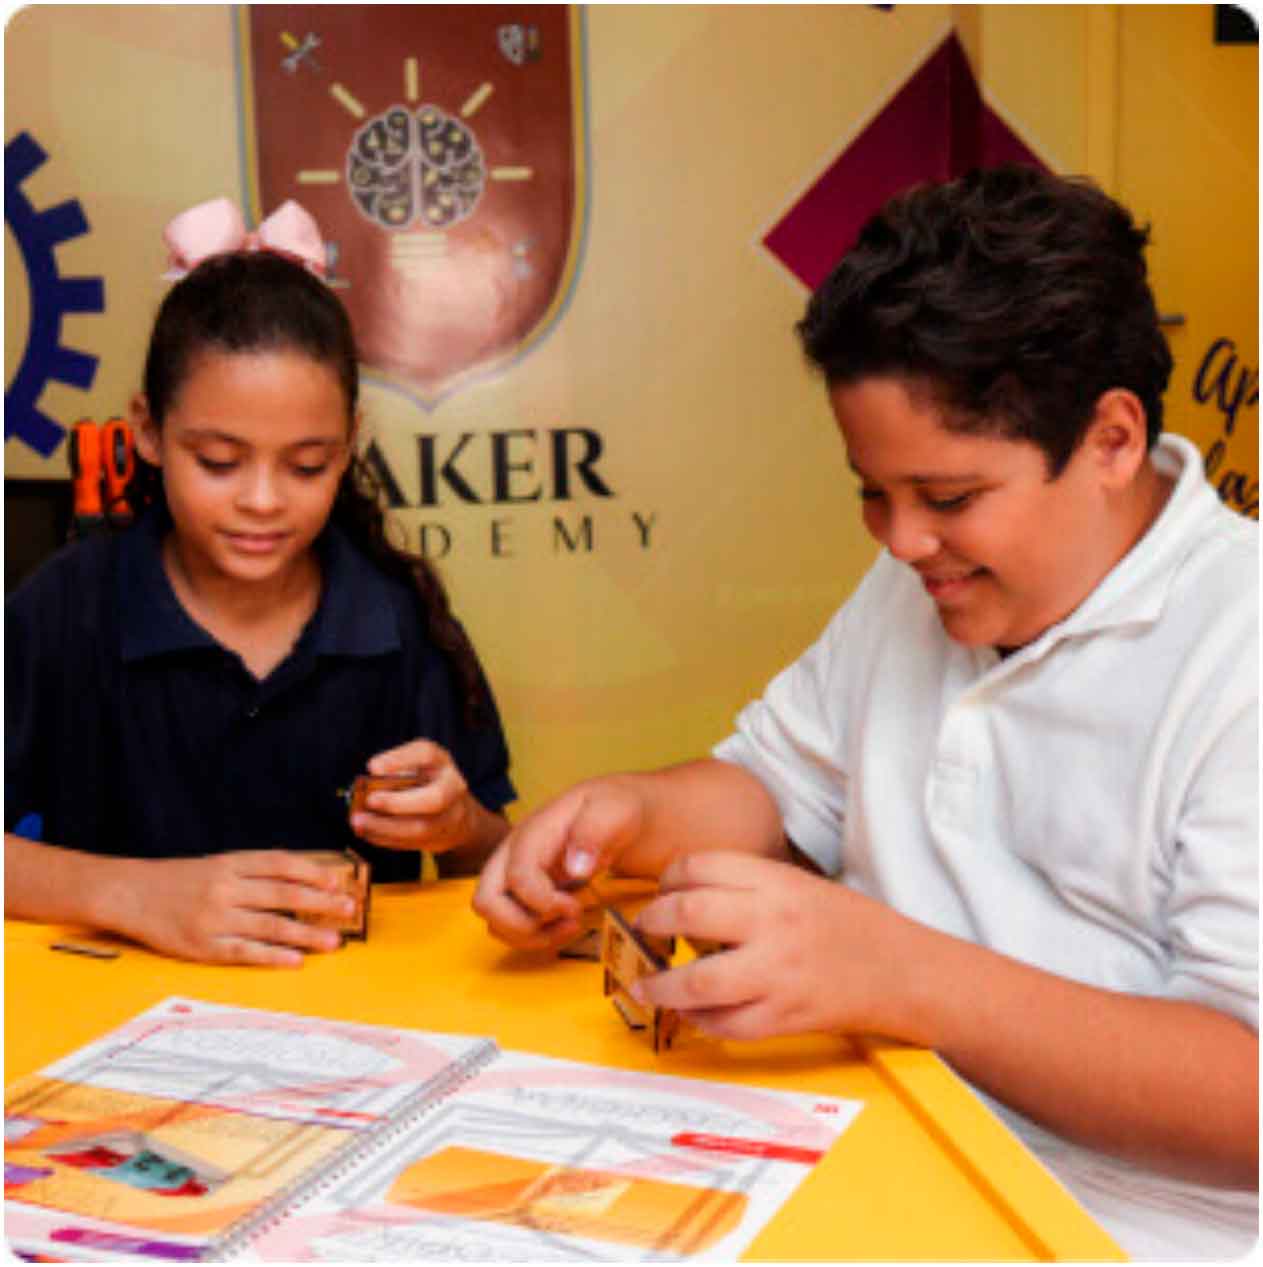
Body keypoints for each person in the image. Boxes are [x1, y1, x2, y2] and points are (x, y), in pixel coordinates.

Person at [472, 166, 1258, 1258]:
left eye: (947, 498)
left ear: (1112, 442)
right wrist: (626, 812)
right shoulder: (921, 576)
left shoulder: (1240, 650)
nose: (898, 542)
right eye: (870, 490)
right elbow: (777, 787)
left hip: (1120, 1226)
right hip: (879, 1141)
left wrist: (895, 973)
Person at [6, 202, 515, 968]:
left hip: (359, 1029)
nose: (264, 500)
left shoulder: (394, 613)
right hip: (111, 1033)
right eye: (218, 460)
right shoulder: (67, 605)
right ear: (147, 431)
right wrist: (137, 895)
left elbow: (497, 861)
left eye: (307, 465)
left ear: (348, 445)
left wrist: (462, 825)